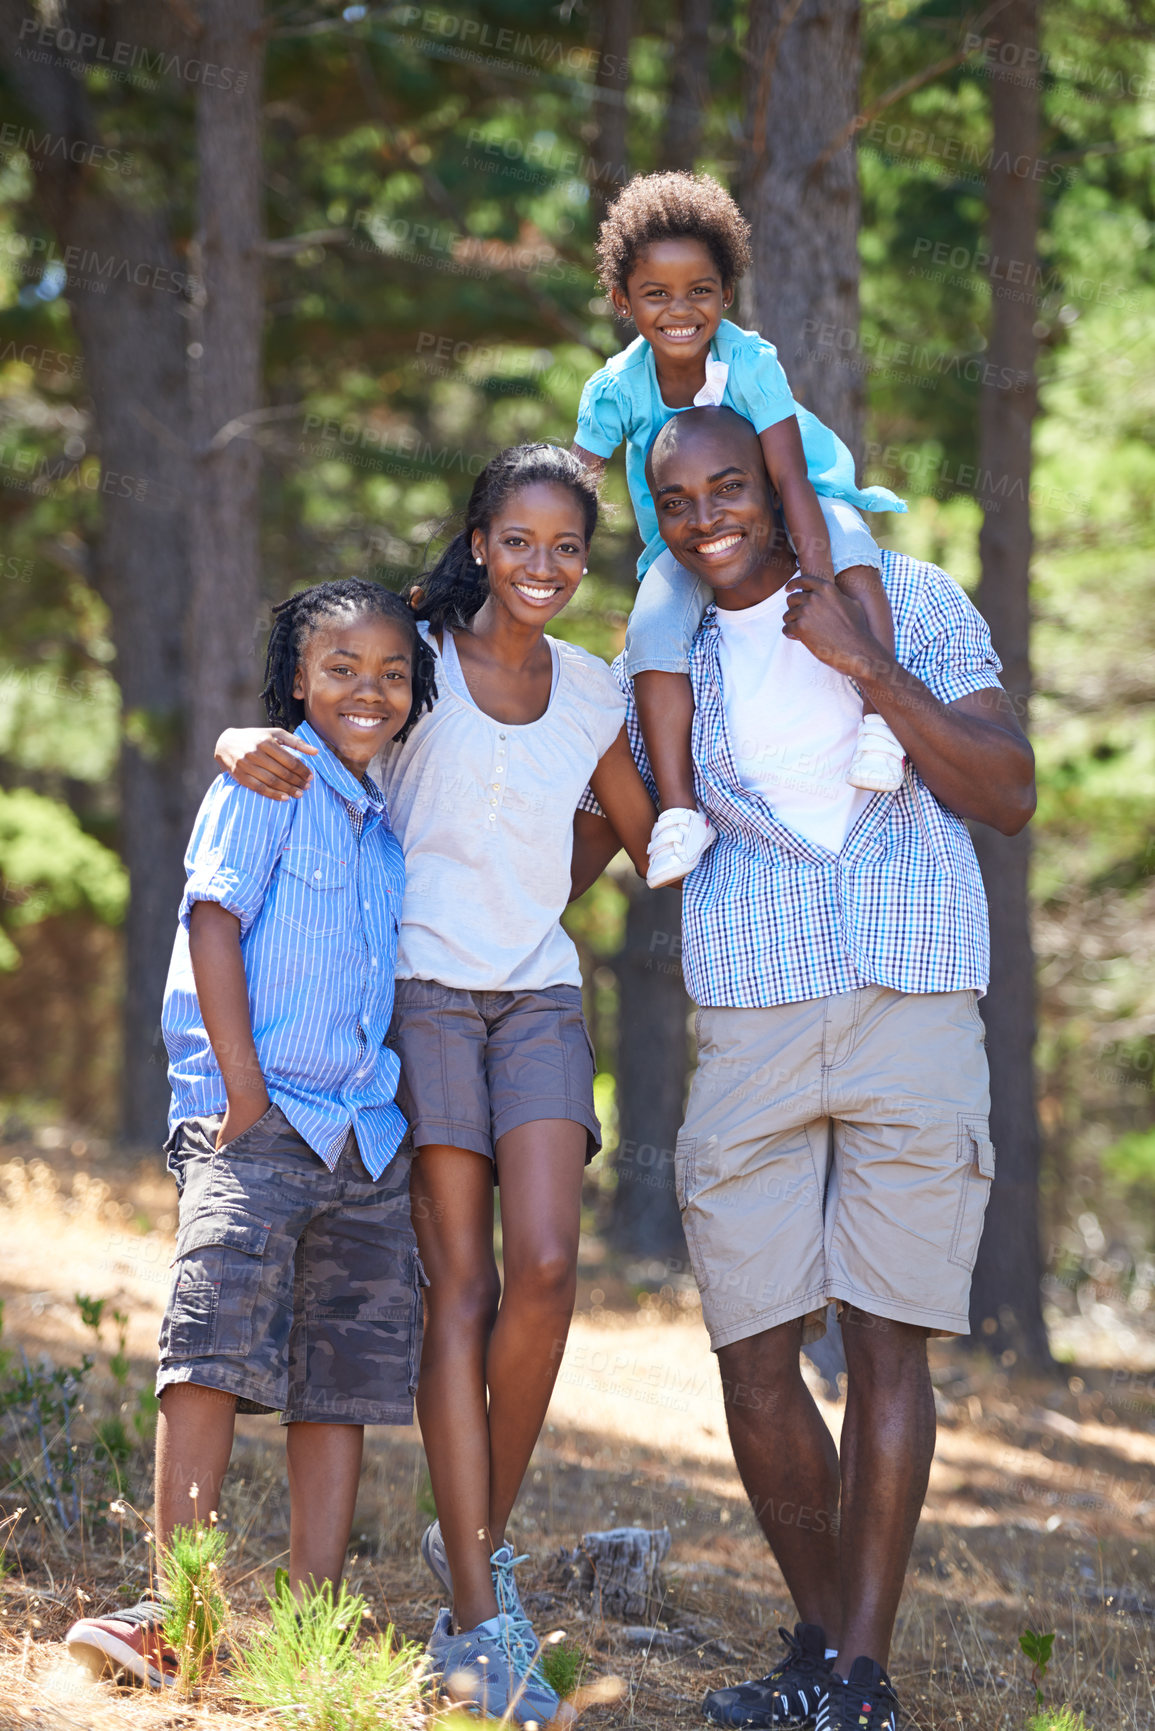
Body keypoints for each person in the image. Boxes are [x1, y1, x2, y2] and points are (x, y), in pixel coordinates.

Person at [582, 406, 1035, 1731]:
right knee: (751, 1347)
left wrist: (868, 670)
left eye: (731, 484)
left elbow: (1004, 788)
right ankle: (826, 1637)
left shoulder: (909, 599)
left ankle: (854, 1676)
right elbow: (590, 808)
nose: (706, 514)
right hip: (751, 1013)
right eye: (675, 498)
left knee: (890, 1340)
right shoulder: (655, 653)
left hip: (910, 987)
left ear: (780, 486)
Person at [211, 444, 656, 1725]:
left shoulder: (590, 689)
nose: (543, 567)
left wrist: (537, 893)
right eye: (518, 542)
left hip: (538, 993)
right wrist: (247, 731)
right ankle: (476, 1608)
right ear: (477, 544)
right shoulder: (419, 653)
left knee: (553, 1272)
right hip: (418, 992)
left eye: (567, 546)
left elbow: (628, 820)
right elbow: (324, 691)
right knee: (462, 1284)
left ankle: (471, 1528)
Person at [65, 580, 433, 1690]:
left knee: (342, 1380)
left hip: (366, 1137)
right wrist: (241, 1092)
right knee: (211, 1351)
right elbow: (213, 925)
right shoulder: (267, 779)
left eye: (392, 674)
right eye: (340, 669)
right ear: (296, 681)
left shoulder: (383, 815)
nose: (368, 690)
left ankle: (309, 1630)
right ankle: (175, 1609)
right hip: (258, 1120)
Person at [572, 170, 910, 889]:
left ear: (725, 293)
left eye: (699, 290)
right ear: (621, 300)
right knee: (650, 635)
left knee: (855, 548)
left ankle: (884, 718)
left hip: (795, 494)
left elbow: (789, 475)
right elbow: (570, 491)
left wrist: (816, 580)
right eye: (654, 294)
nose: (679, 310)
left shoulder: (748, 362)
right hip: (687, 534)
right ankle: (680, 813)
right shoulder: (614, 389)